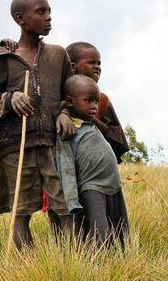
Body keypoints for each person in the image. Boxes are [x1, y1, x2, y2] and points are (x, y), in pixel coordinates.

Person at [0, 0, 76, 250]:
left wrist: (64, 113)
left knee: (65, 209)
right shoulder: (2, 59)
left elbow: (70, 95)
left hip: (54, 145)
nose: (48, 18)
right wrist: (9, 98)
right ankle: (29, 268)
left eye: (49, 11)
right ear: (20, 19)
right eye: (41, 12)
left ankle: (66, 265)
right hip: (17, 147)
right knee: (20, 212)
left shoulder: (58, 55)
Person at [56, 74, 129, 248]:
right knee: (99, 233)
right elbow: (65, 165)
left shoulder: (91, 125)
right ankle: (97, 269)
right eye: (88, 101)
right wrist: (72, 200)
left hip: (113, 187)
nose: (94, 107)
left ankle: (119, 268)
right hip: (91, 187)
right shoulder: (68, 129)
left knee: (120, 231)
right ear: (70, 101)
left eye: (96, 101)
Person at [65, 42, 129, 162]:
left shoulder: (102, 100)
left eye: (99, 63)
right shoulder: (58, 96)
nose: (97, 67)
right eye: (91, 62)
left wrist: (92, 119)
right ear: (73, 66)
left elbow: (118, 140)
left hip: (94, 165)